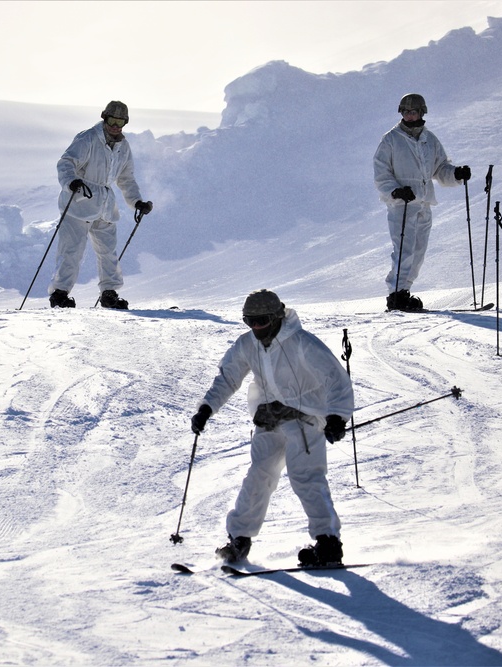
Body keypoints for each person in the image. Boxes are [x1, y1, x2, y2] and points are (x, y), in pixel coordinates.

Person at [190, 289, 354, 566]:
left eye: (262, 321)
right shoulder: (246, 345)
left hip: (304, 421)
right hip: (268, 421)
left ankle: (328, 542)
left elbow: (335, 378)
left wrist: (337, 416)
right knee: (258, 476)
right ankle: (239, 539)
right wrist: (207, 407)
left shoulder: (301, 343)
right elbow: (228, 377)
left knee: (305, 476)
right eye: (249, 321)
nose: (255, 328)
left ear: (277, 316)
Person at [47, 101, 153, 310]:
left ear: (125, 123)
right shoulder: (88, 138)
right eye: (112, 120)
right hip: (79, 202)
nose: (115, 125)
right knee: (72, 250)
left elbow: (126, 178)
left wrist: (136, 202)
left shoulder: (123, 146)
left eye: (120, 121)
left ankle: (109, 293)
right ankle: (59, 294)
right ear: (104, 118)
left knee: (108, 252)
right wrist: (71, 182)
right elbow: (66, 162)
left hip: (105, 205)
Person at [373, 93, 471, 312]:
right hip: (402, 204)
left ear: (421, 112)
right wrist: (395, 191)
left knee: (418, 251)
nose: (409, 115)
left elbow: (440, 168)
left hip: (424, 202)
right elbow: (381, 172)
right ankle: (395, 295)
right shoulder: (391, 140)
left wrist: (456, 173)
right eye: (405, 112)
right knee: (404, 249)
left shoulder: (429, 140)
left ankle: (404, 293)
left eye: (413, 111)